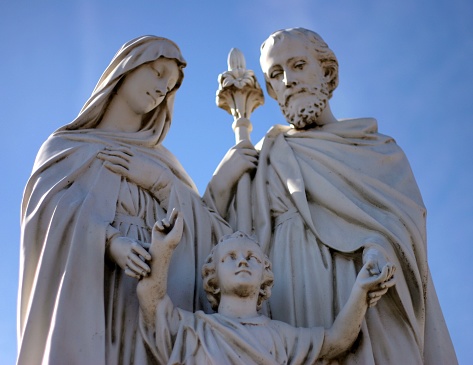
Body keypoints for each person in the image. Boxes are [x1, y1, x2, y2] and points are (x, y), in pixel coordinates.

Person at [207, 28, 457, 364]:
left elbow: (405, 229)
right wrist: (221, 184)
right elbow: (226, 241)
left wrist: (379, 249)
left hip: (365, 286)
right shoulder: (266, 154)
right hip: (290, 293)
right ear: (270, 90)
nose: (289, 81)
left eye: (298, 66)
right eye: (276, 75)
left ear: (326, 72)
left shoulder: (376, 150)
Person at [17, 36, 256, 365]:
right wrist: (110, 240)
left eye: (169, 86)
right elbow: (47, 221)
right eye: (157, 73)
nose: (161, 89)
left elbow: (206, 234)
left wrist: (171, 182)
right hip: (96, 295)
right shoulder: (66, 148)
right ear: (126, 68)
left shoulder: (163, 164)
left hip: (155, 302)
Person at [137, 213, 395, 364]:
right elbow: (152, 299)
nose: (242, 261)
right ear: (212, 277)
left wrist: (360, 292)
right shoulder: (194, 329)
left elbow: (336, 340)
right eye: (230, 257)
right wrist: (163, 249)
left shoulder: (281, 336)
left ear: (264, 275)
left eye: (252, 258)